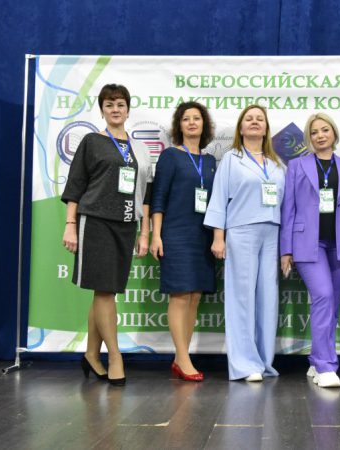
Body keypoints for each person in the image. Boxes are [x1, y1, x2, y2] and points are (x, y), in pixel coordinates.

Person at [61, 84, 152, 386]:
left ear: (128, 109)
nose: (115, 109)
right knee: (104, 291)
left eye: (120, 104)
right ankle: (115, 356)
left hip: (126, 224)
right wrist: (70, 224)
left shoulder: (139, 149)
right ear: (102, 110)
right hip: (96, 222)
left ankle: (90, 354)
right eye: (109, 104)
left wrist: (144, 231)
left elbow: (146, 193)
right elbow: (76, 184)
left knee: (105, 292)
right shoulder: (92, 141)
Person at [280, 113, 340, 388]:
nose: (320, 135)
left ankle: (316, 358)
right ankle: (325, 366)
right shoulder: (297, 165)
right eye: (314, 132)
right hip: (308, 244)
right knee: (324, 296)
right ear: (309, 137)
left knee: (332, 304)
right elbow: (289, 208)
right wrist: (285, 250)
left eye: (325, 130)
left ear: (334, 133)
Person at [204, 105, 286, 381]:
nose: (254, 122)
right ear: (240, 127)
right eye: (249, 119)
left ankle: (263, 361)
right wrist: (218, 236)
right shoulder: (232, 159)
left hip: (272, 233)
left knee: (267, 298)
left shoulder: (276, 164)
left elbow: (287, 204)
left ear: (266, 127)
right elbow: (219, 197)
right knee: (242, 298)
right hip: (241, 231)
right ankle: (245, 364)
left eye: (259, 119)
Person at [150, 101, 216, 382]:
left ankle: (181, 357)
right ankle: (183, 358)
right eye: (186, 118)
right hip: (175, 234)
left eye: (196, 118)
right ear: (179, 125)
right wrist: (155, 234)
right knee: (179, 295)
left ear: (204, 124)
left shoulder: (210, 162)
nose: (191, 123)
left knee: (195, 297)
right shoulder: (170, 157)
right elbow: (159, 197)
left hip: (203, 236)